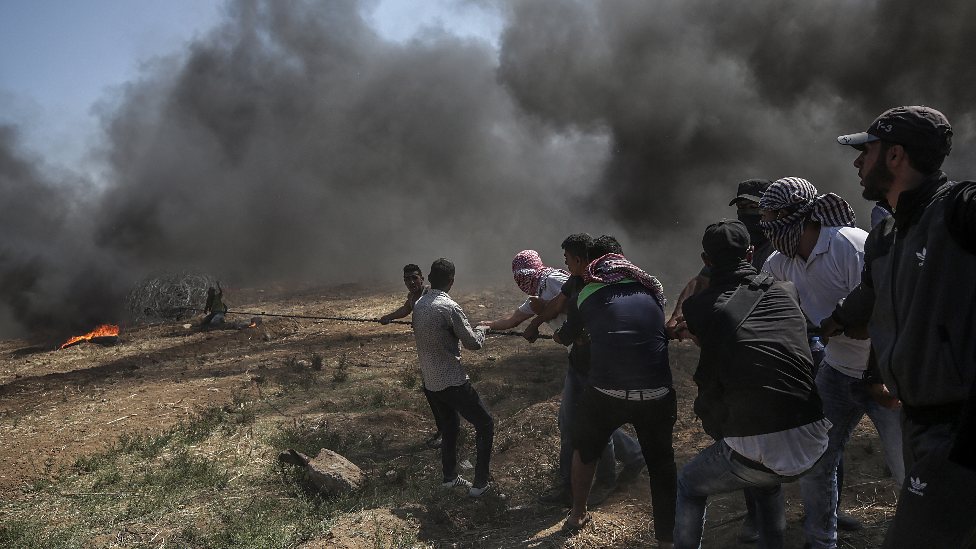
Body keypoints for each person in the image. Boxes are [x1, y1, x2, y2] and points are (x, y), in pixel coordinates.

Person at [824, 105, 976, 547]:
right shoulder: (886, 236)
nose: (857, 162)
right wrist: (835, 323)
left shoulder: (957, 211)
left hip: (957, 429)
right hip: (918, 422)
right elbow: (870, 302)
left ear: (895, 157)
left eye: (865, 151)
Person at [757, 177, 904, 549]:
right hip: (836, 373)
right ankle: (821, 542)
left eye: (770, 216)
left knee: (908, 471)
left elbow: (887, 313)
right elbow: (769, 309)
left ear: (793, 215)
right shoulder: (779, 262)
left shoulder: (849, 246)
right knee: (817, 462)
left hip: (887, 375)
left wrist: (876, 376)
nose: (764, 227)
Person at [675, 220, 829, 549]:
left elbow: (713, 347)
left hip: (758, 444)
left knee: (689, 483)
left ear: (706, 259)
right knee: (766, 479)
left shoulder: (697, 306)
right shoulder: (787, 291)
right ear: (750, 252)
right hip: (814, 436)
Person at [492, 245, 646, 508]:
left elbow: (580, 307)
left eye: (524, 273)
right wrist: (483, 326)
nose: (522, 279)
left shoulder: (554, 280)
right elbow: (513, 320)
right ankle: (631, 456)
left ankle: (594, 482)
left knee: (584, 423)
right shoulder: (538, 289)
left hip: (592, 358)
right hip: (578, 359)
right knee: (574, 422)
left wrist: (545, 316)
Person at [665, 178, 774, 543]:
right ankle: (758, 519)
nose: (747, 214)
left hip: (768, 345)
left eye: (753, 208)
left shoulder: (776, 247)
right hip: (740, 349)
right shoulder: (734, 244)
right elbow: (698, 283)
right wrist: (678, 315)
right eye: (741, 208)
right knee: (743, 429)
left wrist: (693, 326)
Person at [555, 236, 676, 548]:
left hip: (606, 389)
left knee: (585, 448)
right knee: (662, 464)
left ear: (592, 263)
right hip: (656, 391)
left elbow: (568, 334)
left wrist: (567, 335)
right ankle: (667, 540)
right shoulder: (651, 286)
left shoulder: (586, 288)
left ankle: (578, 514)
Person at [411, 258, 494, 497]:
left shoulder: (420, 304)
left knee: (449, 427)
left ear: (428, 278)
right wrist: (483, 329)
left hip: (431, 382)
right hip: (452, 381)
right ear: (452, 281)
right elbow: (473, 344)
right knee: (485, 424)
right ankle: (480, 484)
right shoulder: (449, 307)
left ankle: (450, 478)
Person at [379, 264, 444, 449]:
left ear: (422, 278)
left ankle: (448, 432)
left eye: (414, 278)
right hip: (426, 353)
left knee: (441, 393)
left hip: (439, 351)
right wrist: (388, 317)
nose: (411, 282)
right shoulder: (412, 298)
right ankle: (443, 431)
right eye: (407, 279)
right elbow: (406, 310)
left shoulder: (431, 294)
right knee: (431, 391)